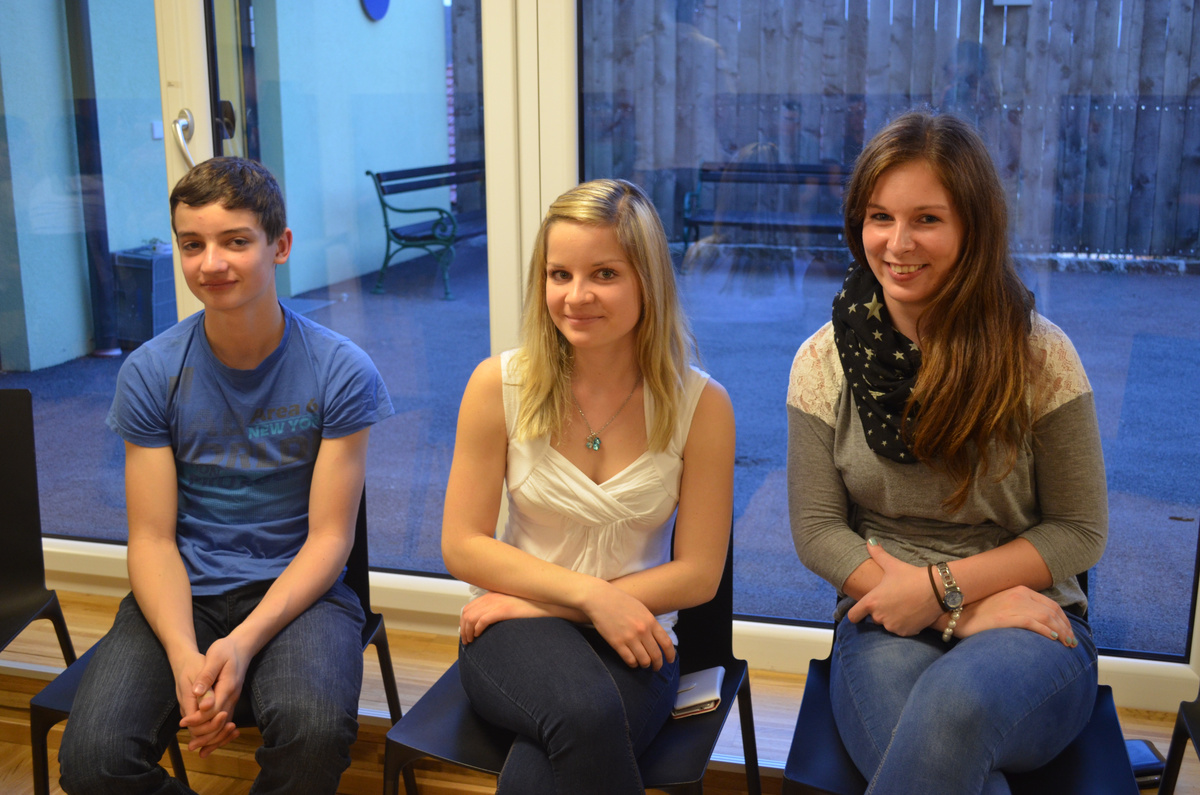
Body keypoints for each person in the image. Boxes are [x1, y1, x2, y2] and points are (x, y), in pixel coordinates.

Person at [787, 110, 1107, 794]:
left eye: (927, 219)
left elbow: (1080, 530)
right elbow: (817, 530)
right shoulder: (821, 361)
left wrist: (941, 591)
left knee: (951, 711)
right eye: (880, 217)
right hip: (884, 617)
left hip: (1030, 616)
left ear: (973, 228)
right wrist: (952, 608)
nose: (898, 243)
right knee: (952, 764)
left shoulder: (1040, 355)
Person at [59, 157, 394, 794]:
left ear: (280, 246)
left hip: (300, 593)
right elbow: (152, 539)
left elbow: (331, 538)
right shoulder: (152, 372)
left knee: (313, 732)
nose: (211, 264)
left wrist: (241, 643)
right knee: (94, 761)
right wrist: (184, 655)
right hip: (183, 591)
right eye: (192, 245)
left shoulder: (340, 369)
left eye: (235, 241)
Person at [443, 178, 735, 794]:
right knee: (585, 713)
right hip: (510, 634)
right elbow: (463, 546)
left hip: (635, 634)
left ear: (648, 282)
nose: (576, 296)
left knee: (541, 773)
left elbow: (699, 575)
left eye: (604, 274)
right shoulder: (496, 385)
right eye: (560, 275)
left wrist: (546, 601)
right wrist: (590, 598)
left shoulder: (703, 405)